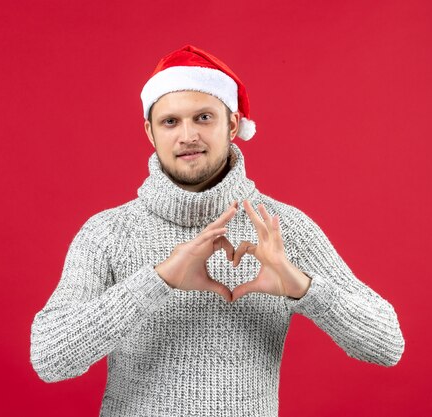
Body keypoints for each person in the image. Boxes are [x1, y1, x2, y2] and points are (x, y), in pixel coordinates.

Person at [30, 44, 405, 417]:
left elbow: (388, 344)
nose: (187, 135)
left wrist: (302, 287)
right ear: (150, 132)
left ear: (231, 124)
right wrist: (158, 280)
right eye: (170, 121)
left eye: (204, 118)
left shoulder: (280, 228)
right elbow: (49, 357)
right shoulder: (107, 233)